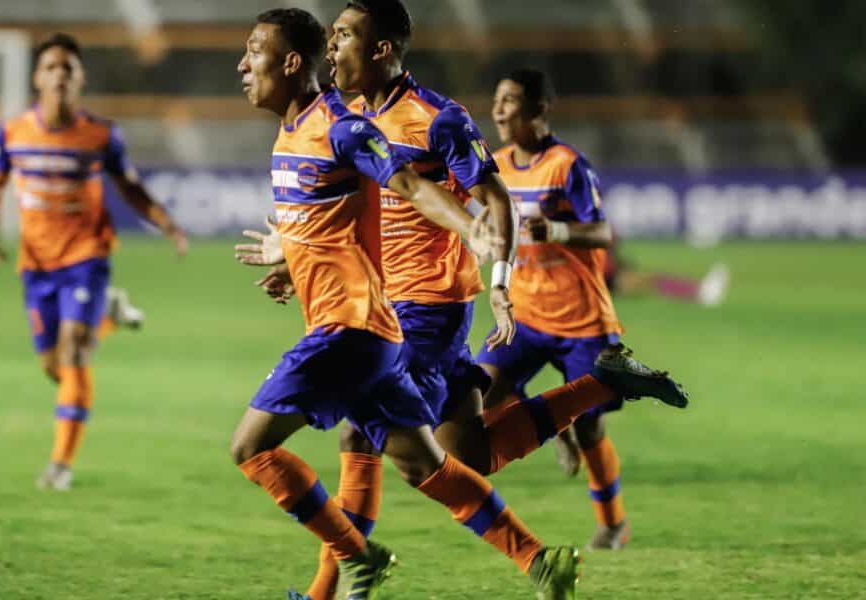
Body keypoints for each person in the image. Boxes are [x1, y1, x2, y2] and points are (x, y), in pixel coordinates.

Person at [237, 6, 689, 599]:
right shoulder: (343, 122)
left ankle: (337, 587)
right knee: (465, 452)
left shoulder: (430, 118)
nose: (334, 48)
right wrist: (298, 260)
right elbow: (347, 216)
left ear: (379, 49)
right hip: (383, 300)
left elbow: (478, 198)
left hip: (426, 303)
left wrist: (496, 270)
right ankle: (598, 395)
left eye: (344, 36)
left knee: (360, 439)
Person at [0, 33, 188, 491]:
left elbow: (130, 187)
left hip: (85, 257)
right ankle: (109, 317)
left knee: (75, 352)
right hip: (36, 265)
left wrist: (167, 224)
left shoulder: (100, 135)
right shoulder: (13, 131)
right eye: (51, 67)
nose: (59, 75)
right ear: (37, 77)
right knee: (55, 367)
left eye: (68, 68)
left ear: (80, 79)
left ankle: (60, 465)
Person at [478, 66, 645, 549]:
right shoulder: (496, 165)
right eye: (496, 100)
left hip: (581, 321)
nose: (498, 109)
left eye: (509, 100)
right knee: (480, 394)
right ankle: (555, 430)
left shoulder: (568, 165)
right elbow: (488, 221)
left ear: (539, 108)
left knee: (592, 422)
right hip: (526, 316)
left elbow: (602, 232)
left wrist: (557, 231)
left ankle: (613, 523)